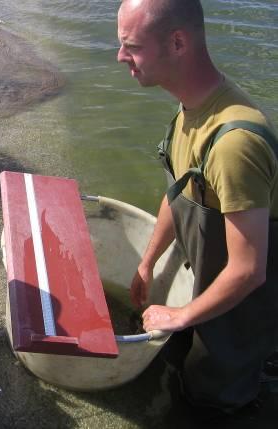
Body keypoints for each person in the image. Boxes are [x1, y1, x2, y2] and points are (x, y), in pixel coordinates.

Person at [117, 0, 278, 416]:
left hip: (240, 316)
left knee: (216, 404)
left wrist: (181, 314)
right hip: (205, 296)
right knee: (181, 385)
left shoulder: (234, 143)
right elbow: (181, 193)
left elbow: (249, 269)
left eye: (131, 46)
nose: (120, 57)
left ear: (177, 42)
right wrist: (147, 261)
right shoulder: (187, 113)